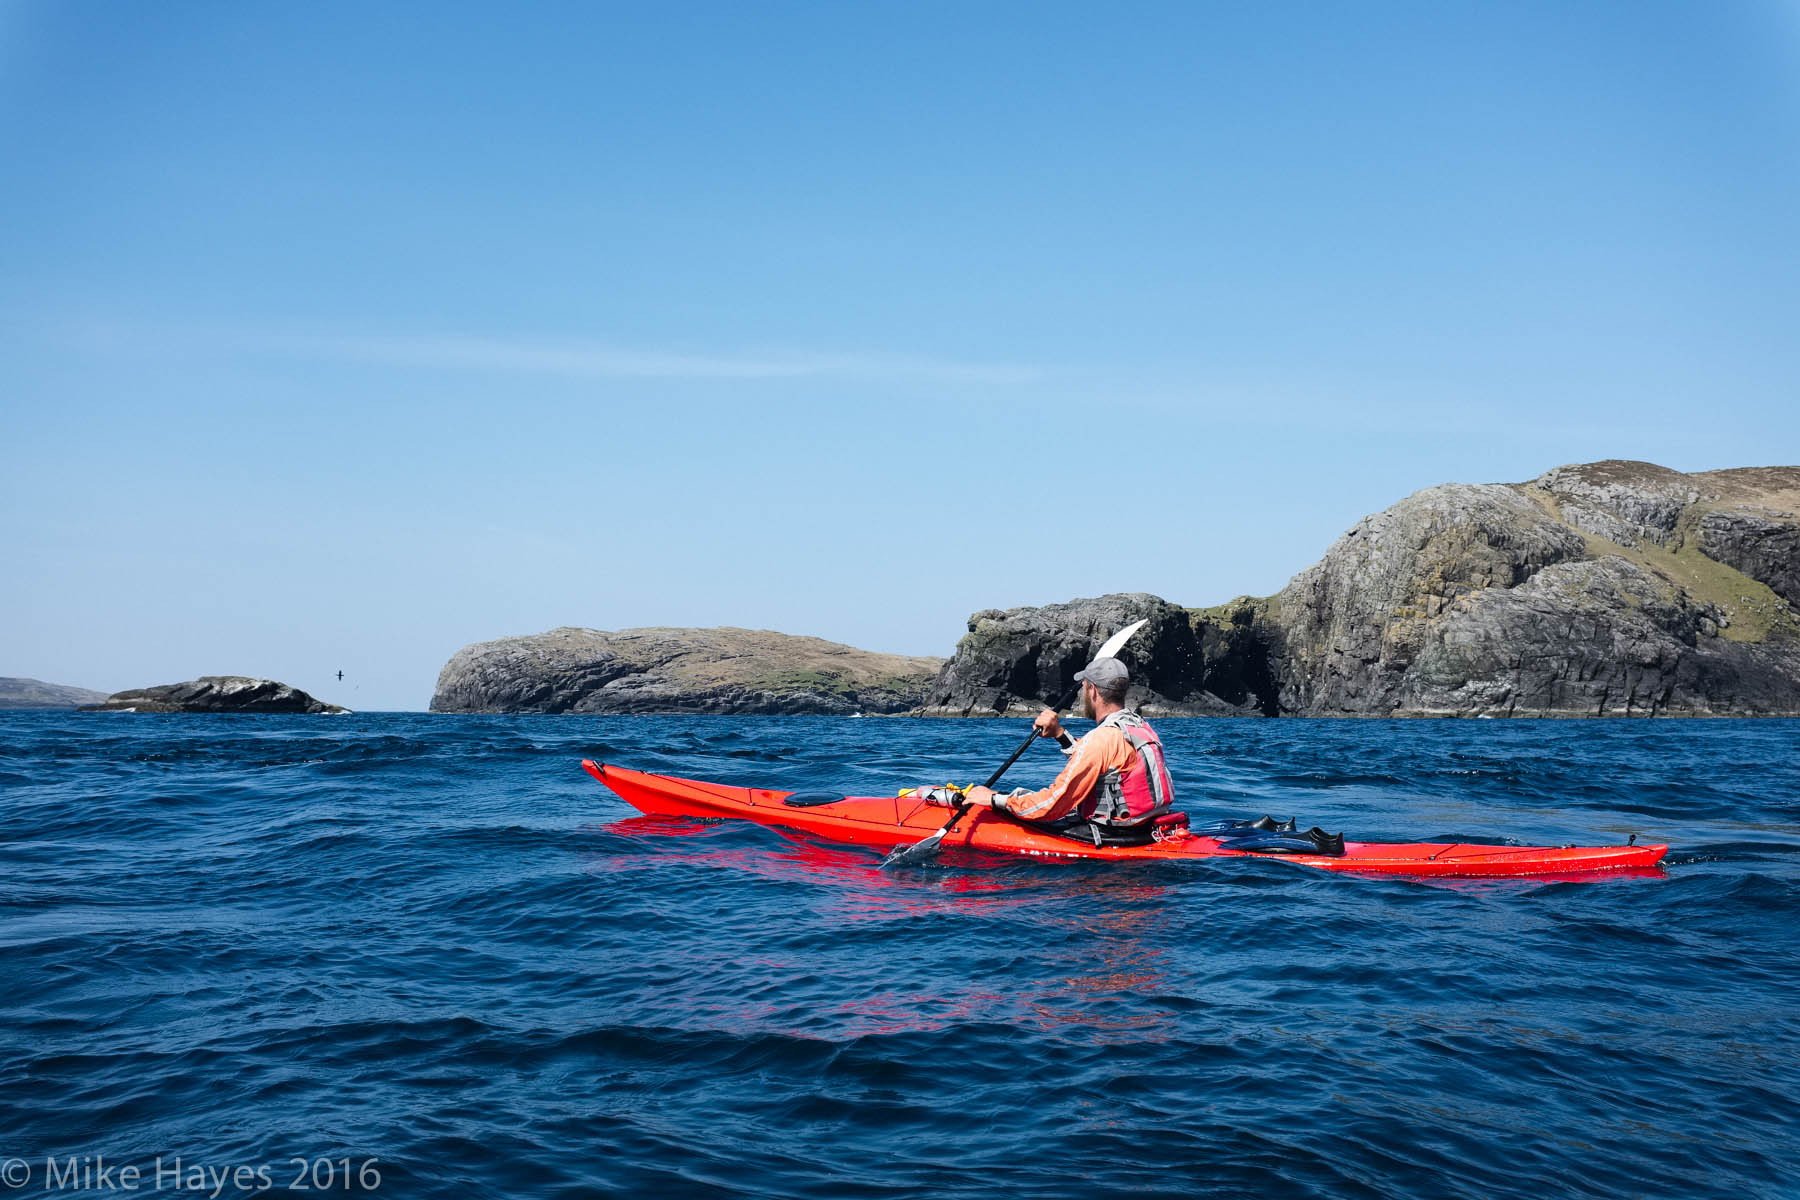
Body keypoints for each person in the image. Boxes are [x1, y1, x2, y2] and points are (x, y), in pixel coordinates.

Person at [930, 656, 1177, 844]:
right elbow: (1106, 762)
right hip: (1144, 830)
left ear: (1091, 690)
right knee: (1012, 799)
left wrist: (993, 799)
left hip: (1112, 835)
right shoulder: (1141, 727)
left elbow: (1053, 804)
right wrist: (1060, 734)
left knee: (1007, 803)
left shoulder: (1100, 739)